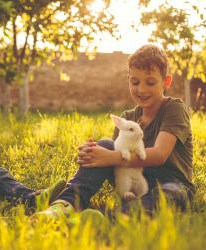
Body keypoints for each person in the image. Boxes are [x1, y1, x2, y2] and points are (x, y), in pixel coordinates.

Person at [36, 44, 195, 219]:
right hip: (133, 179)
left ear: (166, 82)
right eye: (135, 82)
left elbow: (159, 154)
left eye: (150, 82)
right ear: (128, 79)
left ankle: (107, 217)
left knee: (170, 194)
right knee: (105, 144)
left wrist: (108, 157)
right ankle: (65, 204)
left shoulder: (174, 109)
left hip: (171, 183)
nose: (141, 89)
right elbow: (116, 159)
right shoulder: (127, 117)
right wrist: (92, 153)